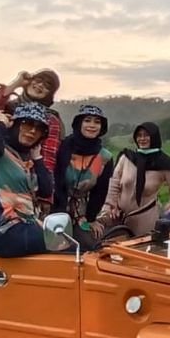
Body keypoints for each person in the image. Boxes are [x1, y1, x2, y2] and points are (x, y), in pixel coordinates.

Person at [0, 69, 64, 211]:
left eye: (47, 85)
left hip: (25, 176)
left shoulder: (50, 119)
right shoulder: (10, 109)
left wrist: (45, 196)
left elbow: (48, 157)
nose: (40, 85)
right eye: (38, 80)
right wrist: (17, 83)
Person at [0, 101, 54, 257]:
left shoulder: (27, 159)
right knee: (61, 242)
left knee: (74, 244)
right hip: (1, 230)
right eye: (27, 124)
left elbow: (46, 189)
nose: (32, 131)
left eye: (39, 129)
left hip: (26, 226)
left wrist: (38, 159)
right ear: (14, 124)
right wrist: (1, 124)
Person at [96, 122, 170, 237]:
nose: (142, 139)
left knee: (142, 250)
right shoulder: (127, 158)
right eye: (139, 135)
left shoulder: (164, 163)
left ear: (154, 137)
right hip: (118, 217)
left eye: (146, 135)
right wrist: (110, 207)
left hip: (145, 220)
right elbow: (114, 184)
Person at [53, 104, 114, 247]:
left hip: (82, 212)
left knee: (88, 244)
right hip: (55, 207)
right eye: (87, 120)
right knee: (54, 245)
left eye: (97, 122)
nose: (92, 125)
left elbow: (100, 192)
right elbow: (55, 179)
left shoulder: (105, 157)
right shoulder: (61, 147)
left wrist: (91, 218)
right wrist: (58, 213)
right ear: (79, 123)